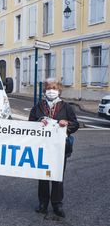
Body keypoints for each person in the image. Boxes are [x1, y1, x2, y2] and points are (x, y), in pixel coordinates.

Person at [28, 78, 79, 218]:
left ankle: (57, 204)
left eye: (54, 88)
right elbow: (30, 123)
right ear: (44, 91)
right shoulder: (38, 106)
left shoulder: (66, 107)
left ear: (59, 91)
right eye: (49, 88)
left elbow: (75, 124)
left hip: (59, 148)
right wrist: (39, 121)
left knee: (57, 176)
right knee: (43, 175)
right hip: (43, 147)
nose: (52, 91)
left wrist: (66, 123)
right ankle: (43, 203)